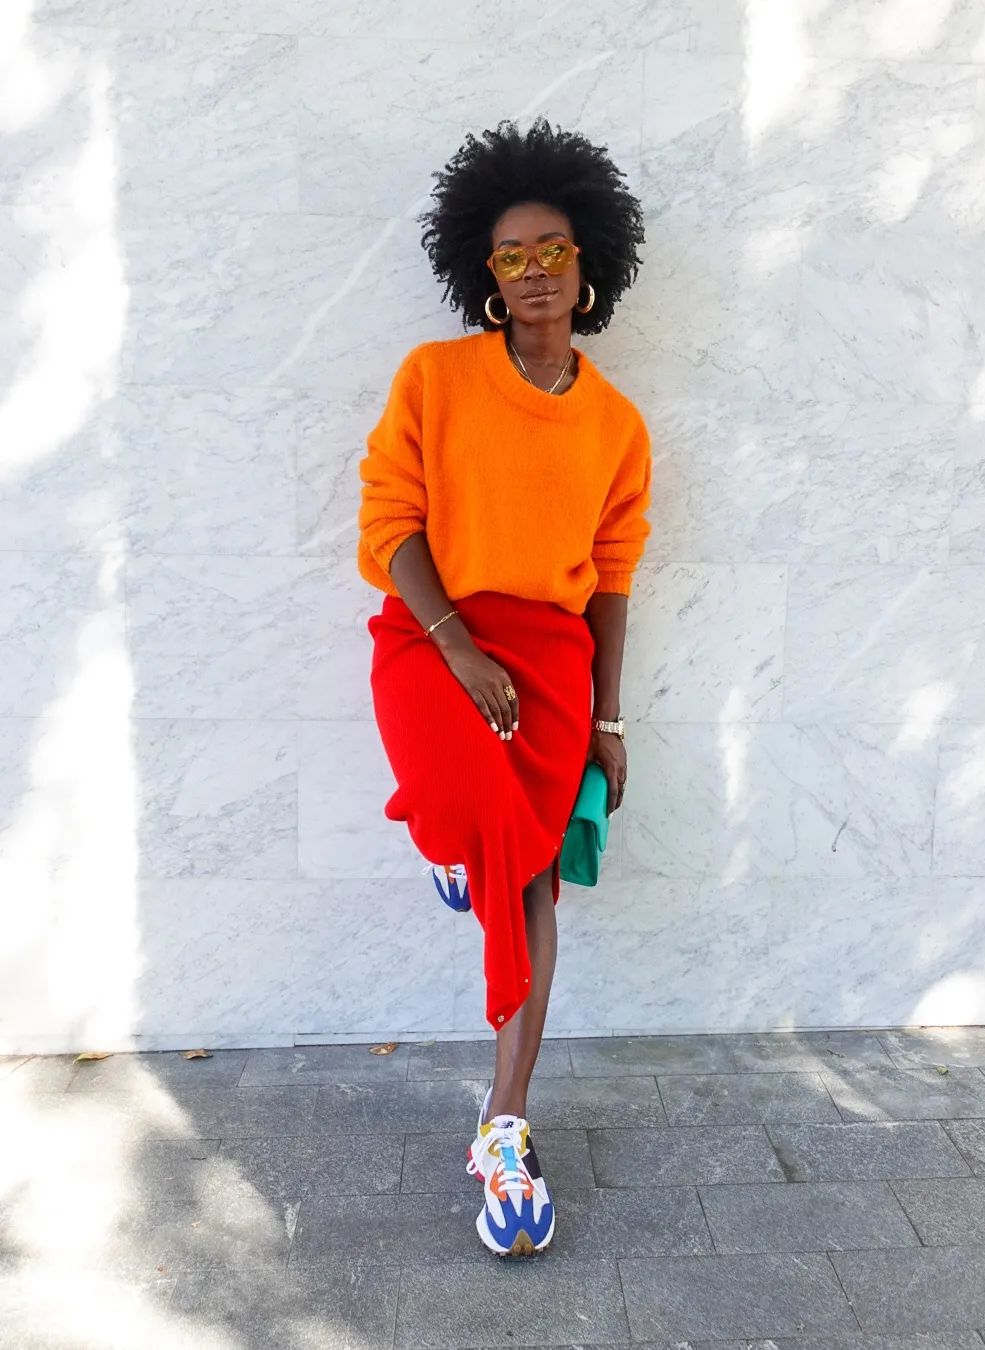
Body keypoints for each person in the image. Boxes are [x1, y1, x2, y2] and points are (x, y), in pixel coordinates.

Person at [356, 116, 652, 1258]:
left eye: (554, 251)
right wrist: (457, 645)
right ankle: (447, 830)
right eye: (513, 255)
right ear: (485, 272)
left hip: (553, 668)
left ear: (588, 266)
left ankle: (505, 1125)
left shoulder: (617, 425)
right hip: (432, 635)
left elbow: (611, 582)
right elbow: (390, 522)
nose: (535, 272)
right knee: (459, 804)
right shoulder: (436, 379)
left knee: (529, 876)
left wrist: (608, 719)